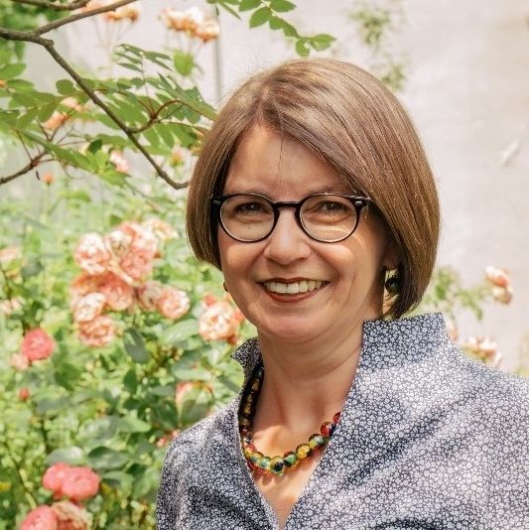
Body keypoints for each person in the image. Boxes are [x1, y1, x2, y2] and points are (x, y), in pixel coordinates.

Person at [156, 58, 529, 529]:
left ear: (392, 236)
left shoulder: (505, 428)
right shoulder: (194, 466)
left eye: (329, 207)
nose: (284, 248)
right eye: (250, 208)